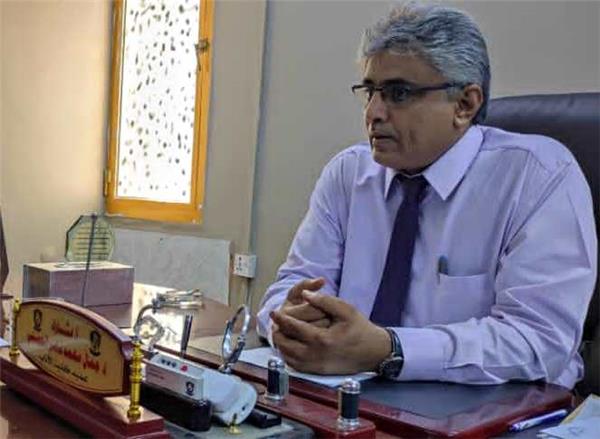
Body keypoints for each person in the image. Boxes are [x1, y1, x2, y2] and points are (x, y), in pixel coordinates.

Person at [256, 2, 597, 389]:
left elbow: (540, 340)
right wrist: (289, 318)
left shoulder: (537, 176)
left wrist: (389, 350)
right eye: (370, 91)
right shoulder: (348, 173)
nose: (373, 113)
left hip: (497, 404)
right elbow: (291, 287)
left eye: (398, 93)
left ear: (465, 104)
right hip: (352, 394)